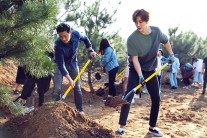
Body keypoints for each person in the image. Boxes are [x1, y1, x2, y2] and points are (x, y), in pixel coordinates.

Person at [116, 9, 175, 137]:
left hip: (151, 70)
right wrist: (140, 75)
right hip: (135, 70)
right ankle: (121, 127)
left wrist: (171, 54)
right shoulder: (132, 39)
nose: (138, 25)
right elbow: (135, 60)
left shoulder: (157, 32)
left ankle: (152, 127)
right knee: (128, 96)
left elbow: (166, 41)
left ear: (146, 21)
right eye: (135, 22)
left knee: (156, 98)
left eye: (140, 22)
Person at [52, 23, 96, 113]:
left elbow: (85, 39)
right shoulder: (57, 45)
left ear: (70, 32)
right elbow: (61, 65)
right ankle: (55, 113)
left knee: (77, 87)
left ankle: (80, 110)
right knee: (57, 89)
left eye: (65, 36)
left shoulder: (76, 34)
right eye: (61, 37)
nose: (63, 39)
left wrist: (90, 50)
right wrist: (69, 79)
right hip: (59, 65)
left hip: (72, 63)